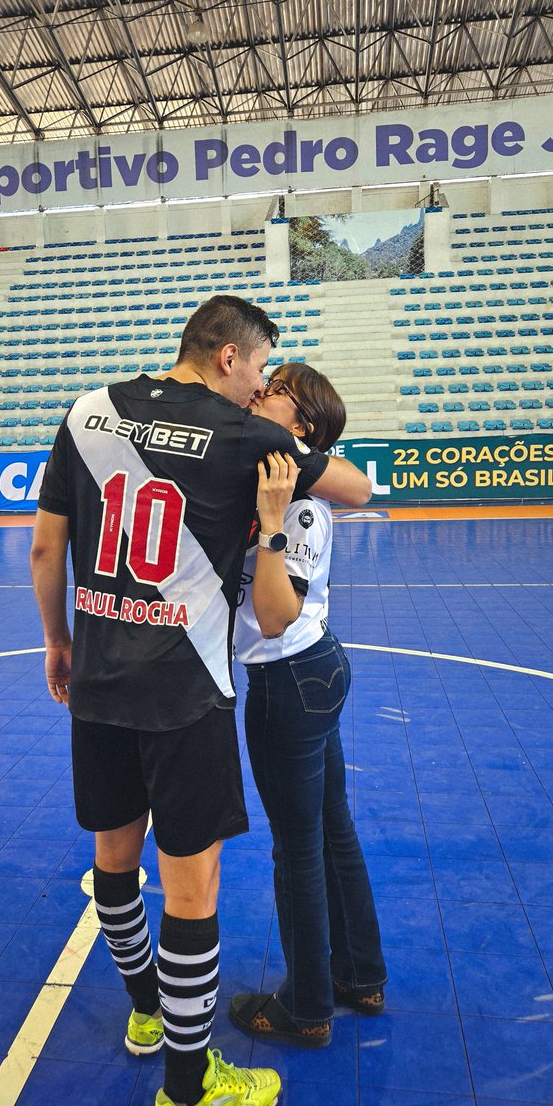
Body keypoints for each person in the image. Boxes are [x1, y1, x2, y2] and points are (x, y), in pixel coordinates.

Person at [30, 295, 371, 1106]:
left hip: (100, 683)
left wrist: (60, 642)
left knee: (115, 863)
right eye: (258, 369)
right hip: (188, 694)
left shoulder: (86, 411)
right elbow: (354, 486)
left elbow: (46, 545)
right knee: (193, 893)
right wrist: (289, 452)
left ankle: (145, 1014)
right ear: (229, 358)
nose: (258, 387)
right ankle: (190, 1085)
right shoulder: (246, 435)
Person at [228, 362, 386, 1049]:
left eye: (278, 388)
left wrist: (265, 530)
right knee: (333, 831)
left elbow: (272, 614)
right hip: (316, 671)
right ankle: (361, 975)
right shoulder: (284, 480)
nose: (262, 390)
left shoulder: (295, 501)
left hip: (288, 679)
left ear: (303, 427)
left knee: (298, 850)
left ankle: (307, 1007)